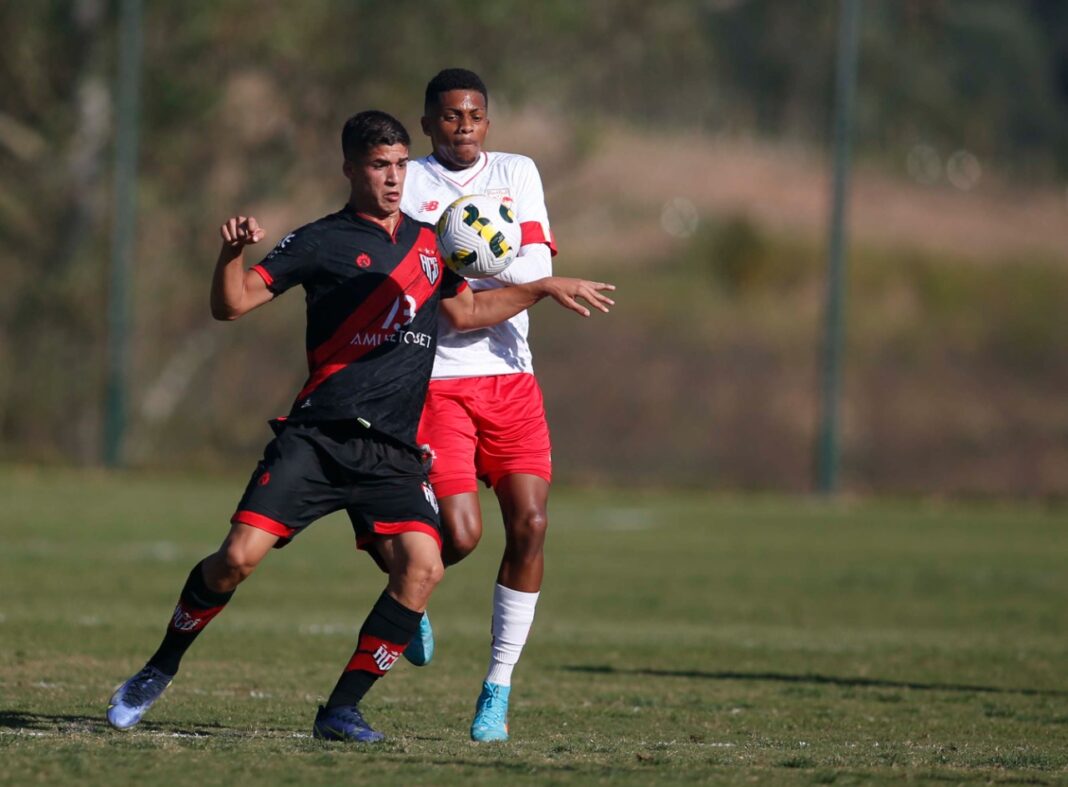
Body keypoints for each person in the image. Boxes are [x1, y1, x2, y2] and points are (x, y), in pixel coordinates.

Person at [105, 110, 615, 742]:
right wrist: (231, 252)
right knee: (235, 560)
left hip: (393, 449)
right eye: (379, 166)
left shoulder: (434, 242)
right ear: (351, 169)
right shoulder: (318, 241)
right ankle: (159, 667)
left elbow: (470, 310)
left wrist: (540, 288)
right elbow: (230, 305)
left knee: (424, 566)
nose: (394, 178)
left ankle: (341, 710)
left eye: (401, 165)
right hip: (318, 438)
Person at [400, 68, 587, 742]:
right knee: (459, 535)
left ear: (489, 119)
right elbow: (459, 308)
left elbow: (527, 264)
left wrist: (504, 275)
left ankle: (497, 689)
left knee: (531, 525)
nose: (465, 126)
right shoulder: (412, 183)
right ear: (428, 122)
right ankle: (408, 585)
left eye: (475, 114)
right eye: (450, 116)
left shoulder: (517, 172)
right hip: (440, 382)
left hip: (513, 380)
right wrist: (526, 284)